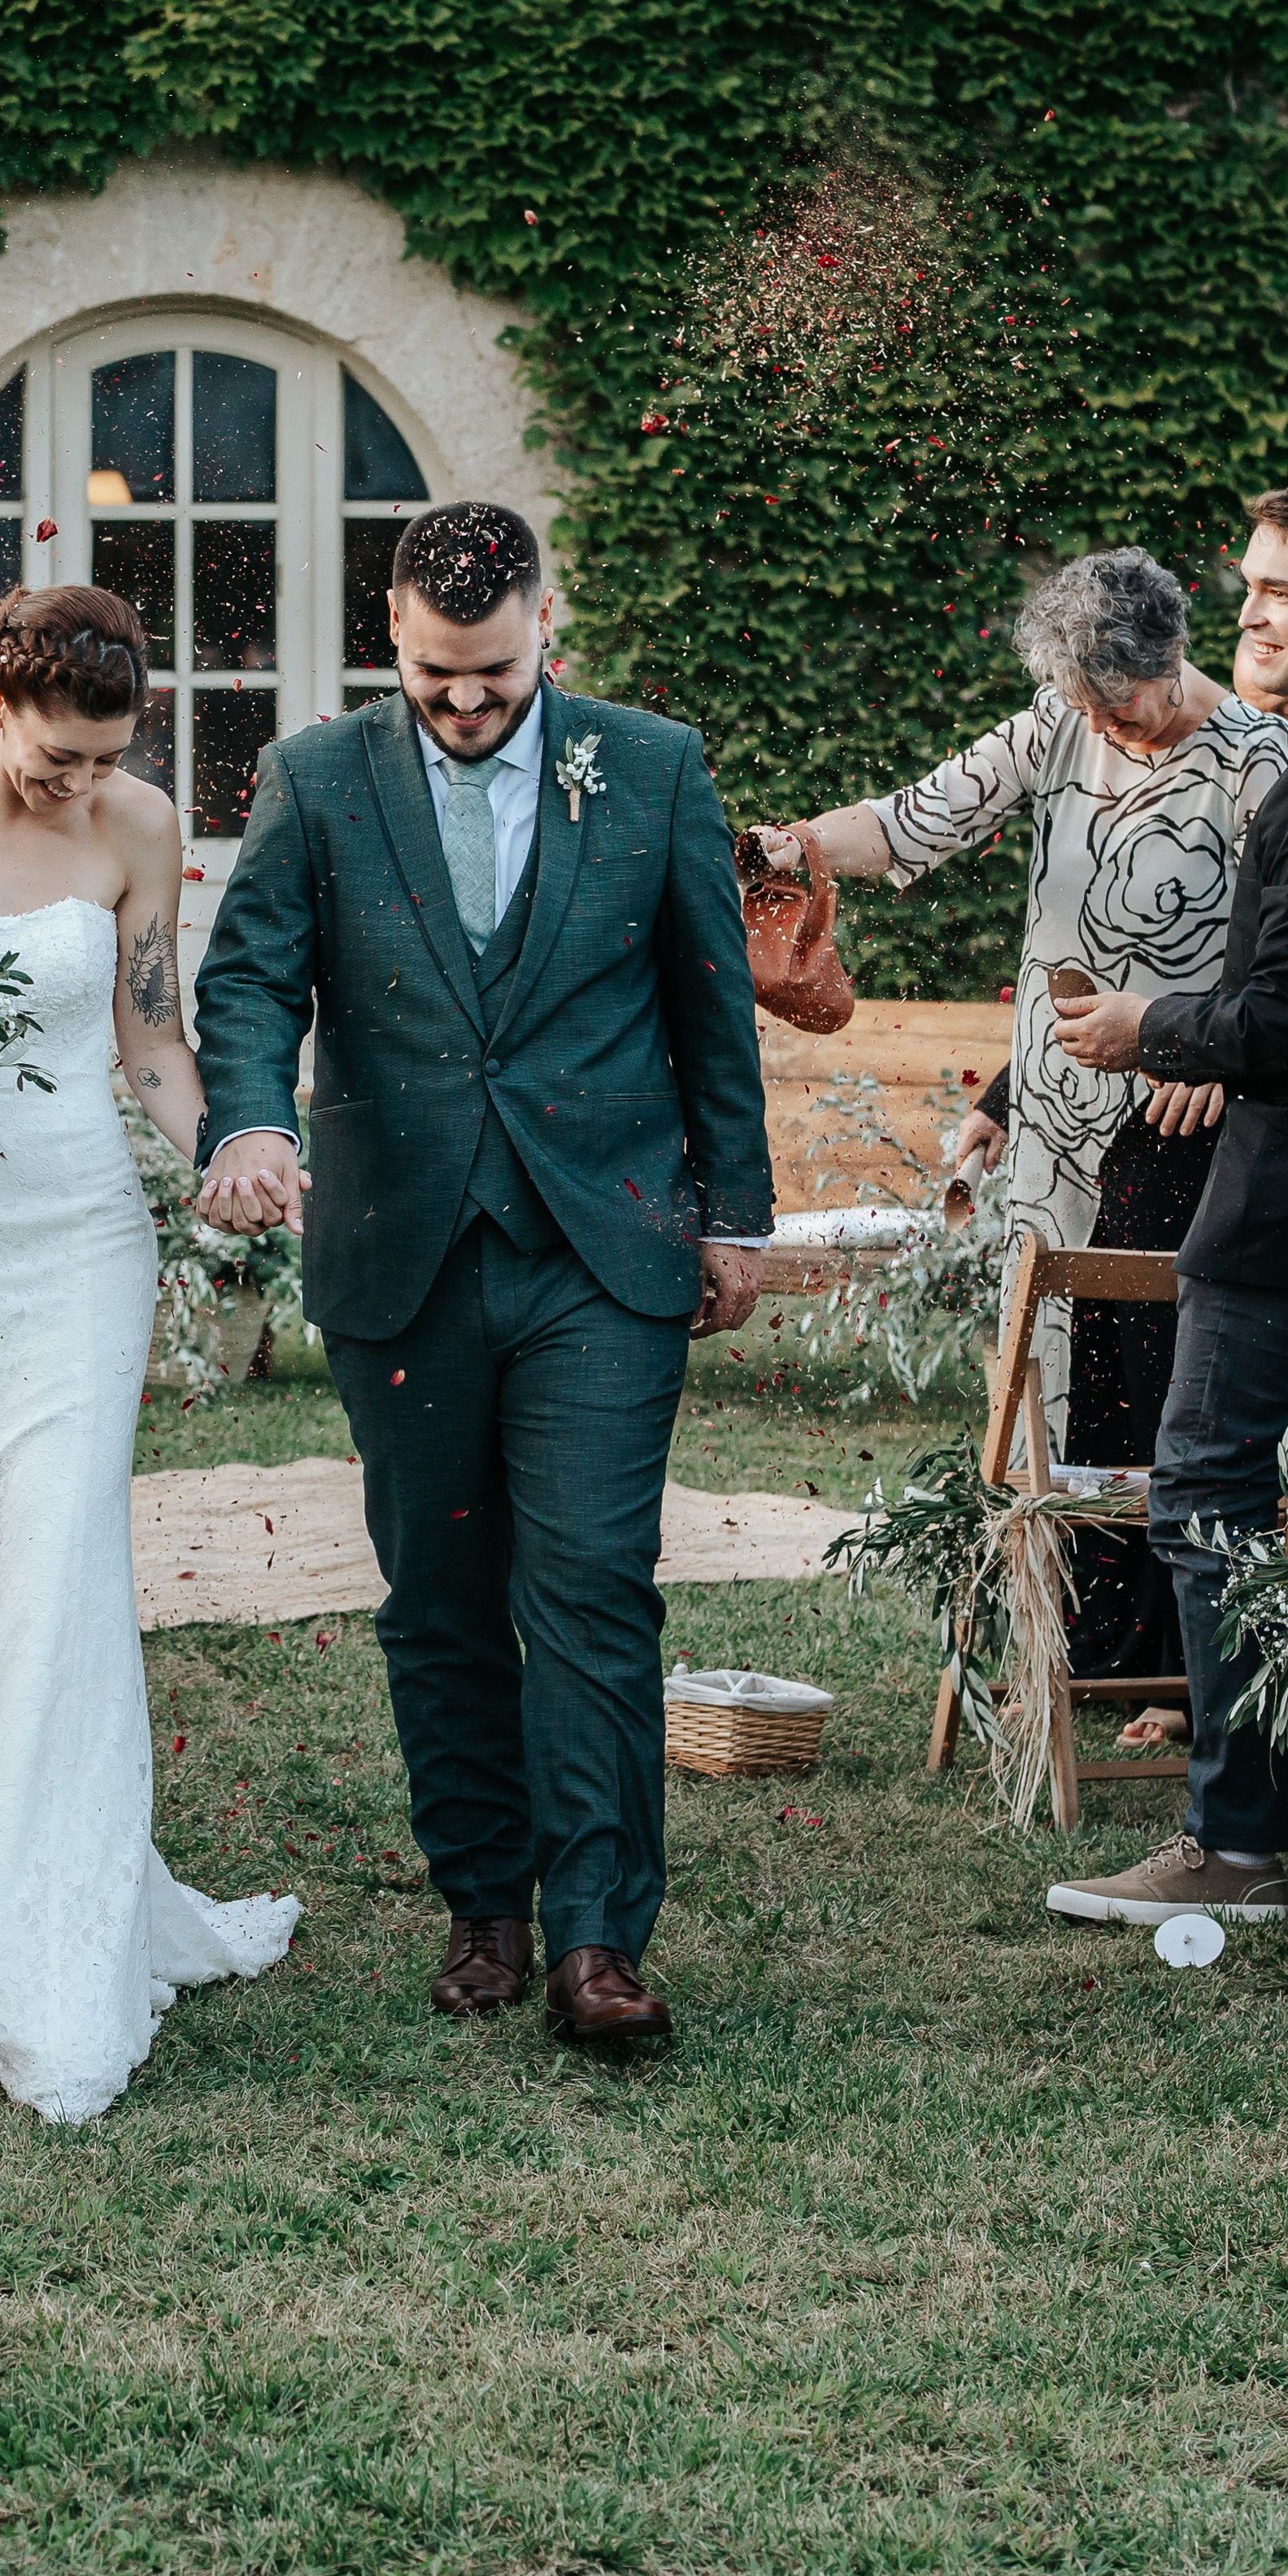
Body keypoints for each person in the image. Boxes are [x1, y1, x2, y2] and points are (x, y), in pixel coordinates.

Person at [194, 503, 772, 2046]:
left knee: (590, 1586)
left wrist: (739, 1216)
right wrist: (249, 1114)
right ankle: (486, 1912)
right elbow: (249, 974)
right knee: (441, 1599)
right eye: (438, 675)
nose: (464, 703)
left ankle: (598, 1944)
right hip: (403, 1254)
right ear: (394, 638)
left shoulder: (652, 766)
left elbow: (713, 1004)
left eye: (495, 675)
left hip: (606, 1247)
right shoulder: (319, 780)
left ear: (546, 632)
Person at [0, 583, 299, 2125]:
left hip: (77, 1234)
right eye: (53, 757)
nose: (75, 786)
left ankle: (38, 1922)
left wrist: (228, 1150)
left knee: (60, 1554)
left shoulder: (139, 828)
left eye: (100, 762)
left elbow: (148, 1039)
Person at [763, 547, 1288, 1676]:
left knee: (1164, 1395)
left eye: (1125, 703)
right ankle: (1072, 1648)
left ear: (1172, 659)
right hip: (1053, 1128)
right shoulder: (1052, 728)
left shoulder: (1264, 764)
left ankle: (1177, 1669)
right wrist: (797, 846)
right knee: (1049, 1386)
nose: (1109, 725)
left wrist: (1212, 1053)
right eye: (1090, 704)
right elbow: (912, 823)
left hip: (1181, 1133)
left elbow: (1282, 978)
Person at [1043, 491, 1288, 1924]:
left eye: (1280, 592)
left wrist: (1156, 1028)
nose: (1251, 614)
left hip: (1278, 1227)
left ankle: (1237, 1839)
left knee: (1206, 1491)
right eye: (1254, 586)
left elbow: (1286, 1018)